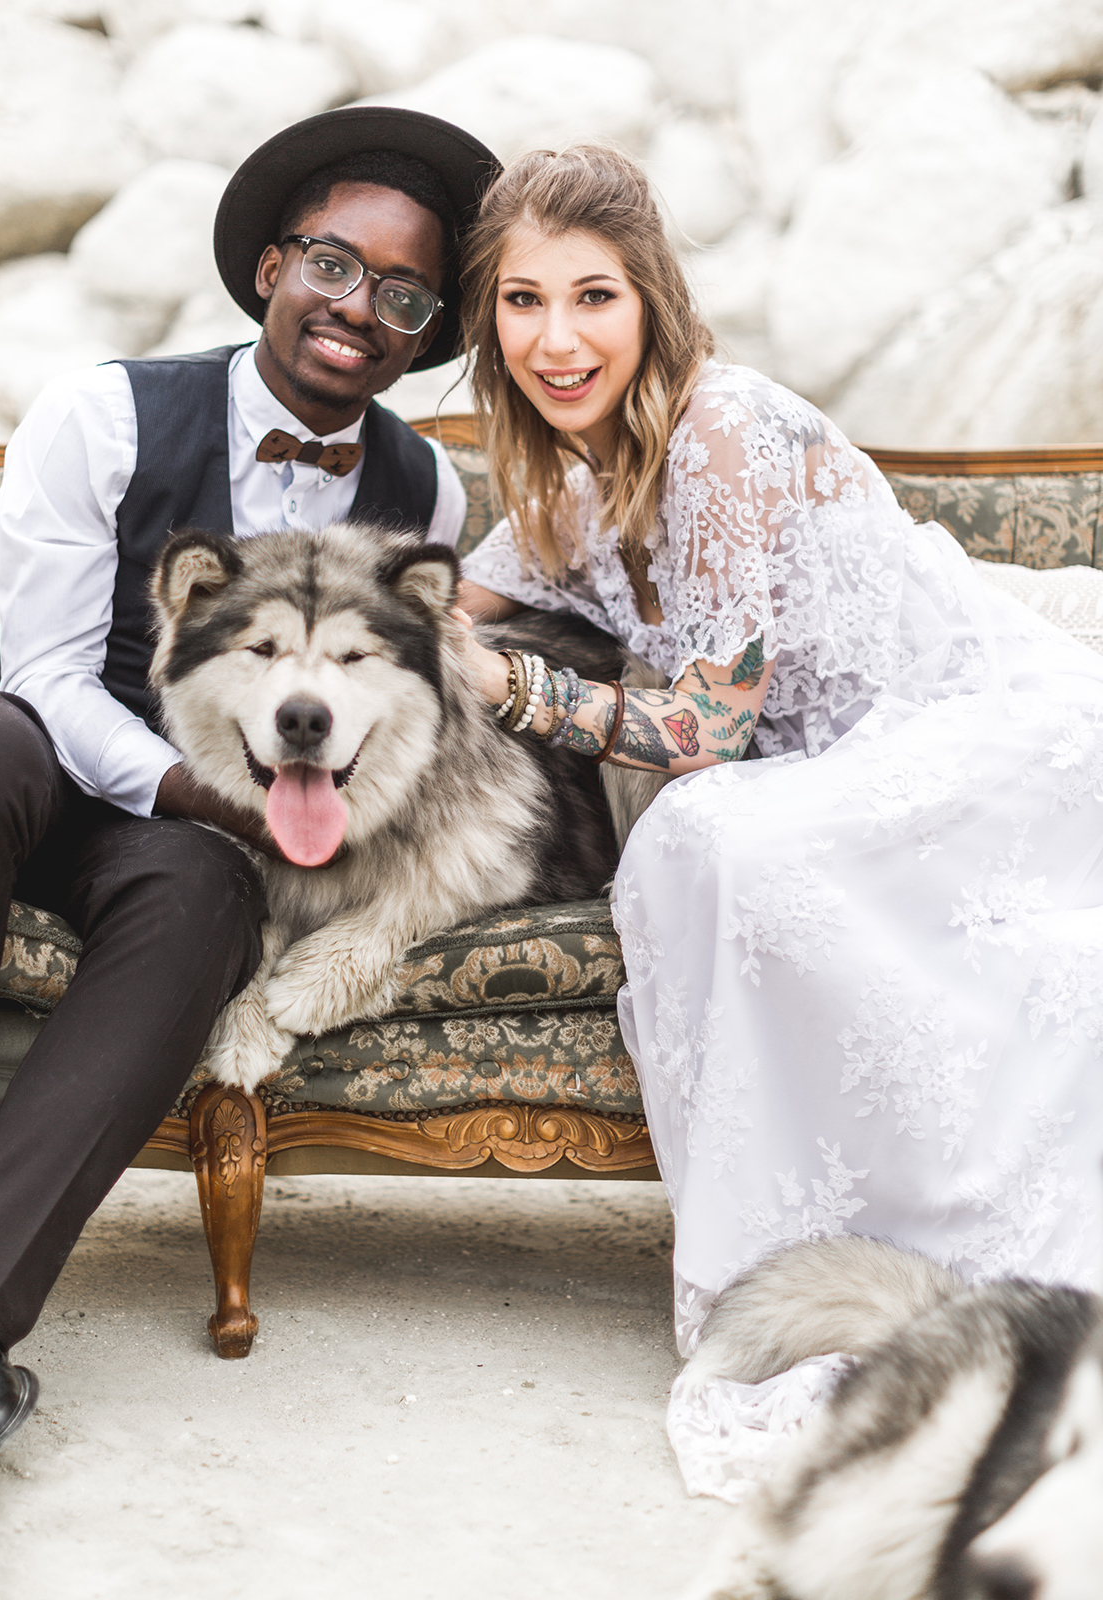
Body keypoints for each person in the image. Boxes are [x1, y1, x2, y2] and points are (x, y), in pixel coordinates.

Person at [452, 144, 1103, 1491]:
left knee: (706, 832)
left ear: (654, 299)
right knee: (698, 842)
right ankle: (815, 1261)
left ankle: (907, 1247)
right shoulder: (562, 486)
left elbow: (706, 730)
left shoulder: (724, 430)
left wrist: (517, 688)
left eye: (593, 297)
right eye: (523, 301)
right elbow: (436, 611)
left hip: (968, 736)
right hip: (838, 769)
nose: (557, 340)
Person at [0, 107, 499, 1546]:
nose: (360, 310)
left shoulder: (427, 489)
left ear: (427, 334)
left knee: (208, 897)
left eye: (406, 296)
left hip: (188, 826)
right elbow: (51, 677)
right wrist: (225, 793)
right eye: (335, 266)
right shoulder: (104, 414)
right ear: (272, 266)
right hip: (40, 759)